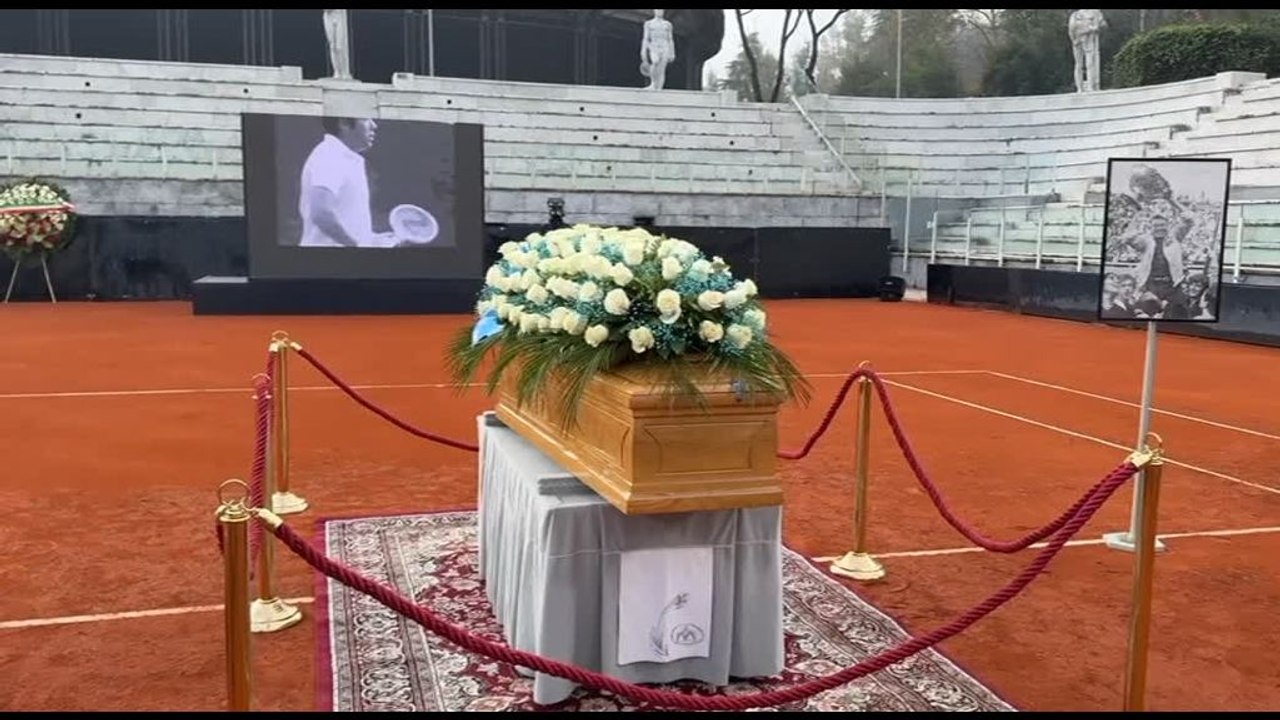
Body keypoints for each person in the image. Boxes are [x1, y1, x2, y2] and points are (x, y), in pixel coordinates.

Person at [297, 116, 395, 248]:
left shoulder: (345, 158)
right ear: (344, 123)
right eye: (366, 119)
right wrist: (357, 246)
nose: (374, 125)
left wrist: (371, 240)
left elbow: (344, 220)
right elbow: (321, 213)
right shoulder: (329, 155)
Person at [1068, 9, 1106, 93]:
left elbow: (1103, 24)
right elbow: (1071, 29)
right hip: (1077, 41)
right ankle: (1080, 88)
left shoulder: (1094, 12)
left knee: (1090, 64)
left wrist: (1096, 27)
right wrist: (1074, 39)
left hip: (1088, 41)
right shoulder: (1075, 15)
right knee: (1079, 65)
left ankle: (1090, 86)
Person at [640, 9, 675, 91]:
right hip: (654, 46)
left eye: (661, 10)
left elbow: (670, 39)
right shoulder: (649, 23)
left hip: (664, 46)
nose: (660, 12)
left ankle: (659, 88)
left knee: (662, 69)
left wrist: (672, 52)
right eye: (658, 10)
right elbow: (645, 38)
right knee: (655, 62)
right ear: (654, 11)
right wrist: (643, 50)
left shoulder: (667, 24)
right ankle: (653, 83)